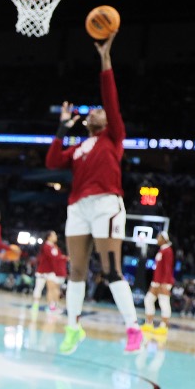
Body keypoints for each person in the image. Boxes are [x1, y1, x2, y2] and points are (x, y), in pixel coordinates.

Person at [45, 31, 142, 355]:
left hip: (106, 205)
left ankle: (133, 327)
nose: (98, 111)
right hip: (78, 207)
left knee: (111, 269)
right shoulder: (78, 147)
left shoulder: (113, 137)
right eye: (94, 111)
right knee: (76, 271)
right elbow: (51, 161)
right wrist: (62, 127)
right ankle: (73, 327)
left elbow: (110, 98)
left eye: (101, 111)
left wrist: (105, 58)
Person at [142, 231, 174, 345]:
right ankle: (149, 323)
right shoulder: (161, 250)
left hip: (163, 282)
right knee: (148, 300)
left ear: (165, 239)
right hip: (156, 282)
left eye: (159, 237)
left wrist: (164, 283)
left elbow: (168, 268)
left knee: (164, 303)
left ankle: (163, 326)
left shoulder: (168, 250)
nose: (157, 238)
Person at [32, 230, 68, 315]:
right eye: (54, 235)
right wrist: (63, 258)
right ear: (49, 237)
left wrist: (63, 258)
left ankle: (52, 306)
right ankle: (35, 305)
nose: (56, 236)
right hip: (43, 271)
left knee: (52, 289)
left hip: (51, 272)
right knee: (39, 287)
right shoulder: (46, 246)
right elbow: (53, 257)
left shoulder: (54, 247)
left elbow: (57, 257)